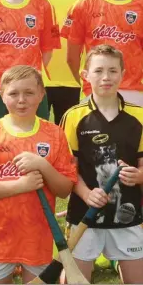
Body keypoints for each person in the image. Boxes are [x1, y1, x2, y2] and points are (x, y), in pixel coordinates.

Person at [0, 65, 77, 284]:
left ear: (41, 94)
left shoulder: (54, 134)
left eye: (29, 93)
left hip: (38, 238)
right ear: (2, 95)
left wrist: (43, 166)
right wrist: (21, 185)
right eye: (14, 93)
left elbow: (64, 190)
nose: (21, 100)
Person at [60, 45, 143, 284]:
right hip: (84, 215)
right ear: (85, 75)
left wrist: (137, 176)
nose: (106, 77)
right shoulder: (73, 116)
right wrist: (86, 194)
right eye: (98, 71)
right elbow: (68, 169)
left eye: (113, 70)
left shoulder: (139, 116)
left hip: (128, 216)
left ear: (123, 73)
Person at [64, 0, 143, 106]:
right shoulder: (82, 6)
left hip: (134, 92)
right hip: (95, 91)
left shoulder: (140, 5)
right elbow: (72, 57)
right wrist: (88, 83)